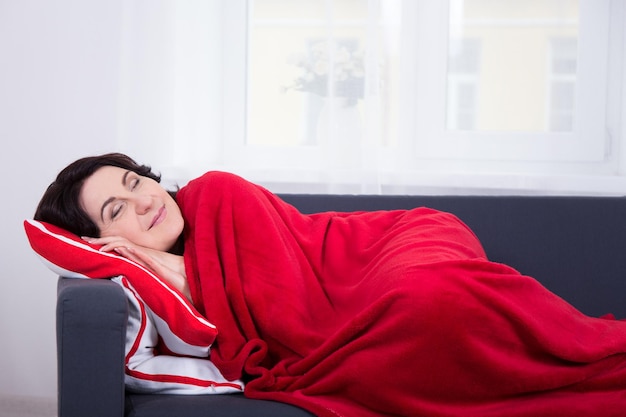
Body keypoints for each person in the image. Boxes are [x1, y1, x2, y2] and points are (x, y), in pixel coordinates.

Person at [34, 152, 626, 417]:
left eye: (134, 181)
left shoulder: (215, 191)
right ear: (100, 244)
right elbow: (247, 347)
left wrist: (189, 273)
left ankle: (587, 359)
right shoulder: (151, 274)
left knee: (435, 300)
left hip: (397, 243)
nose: (142, 201)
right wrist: (168, 271)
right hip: (382, 291)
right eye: (115, 211)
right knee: (412, 326)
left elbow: (291, 306)